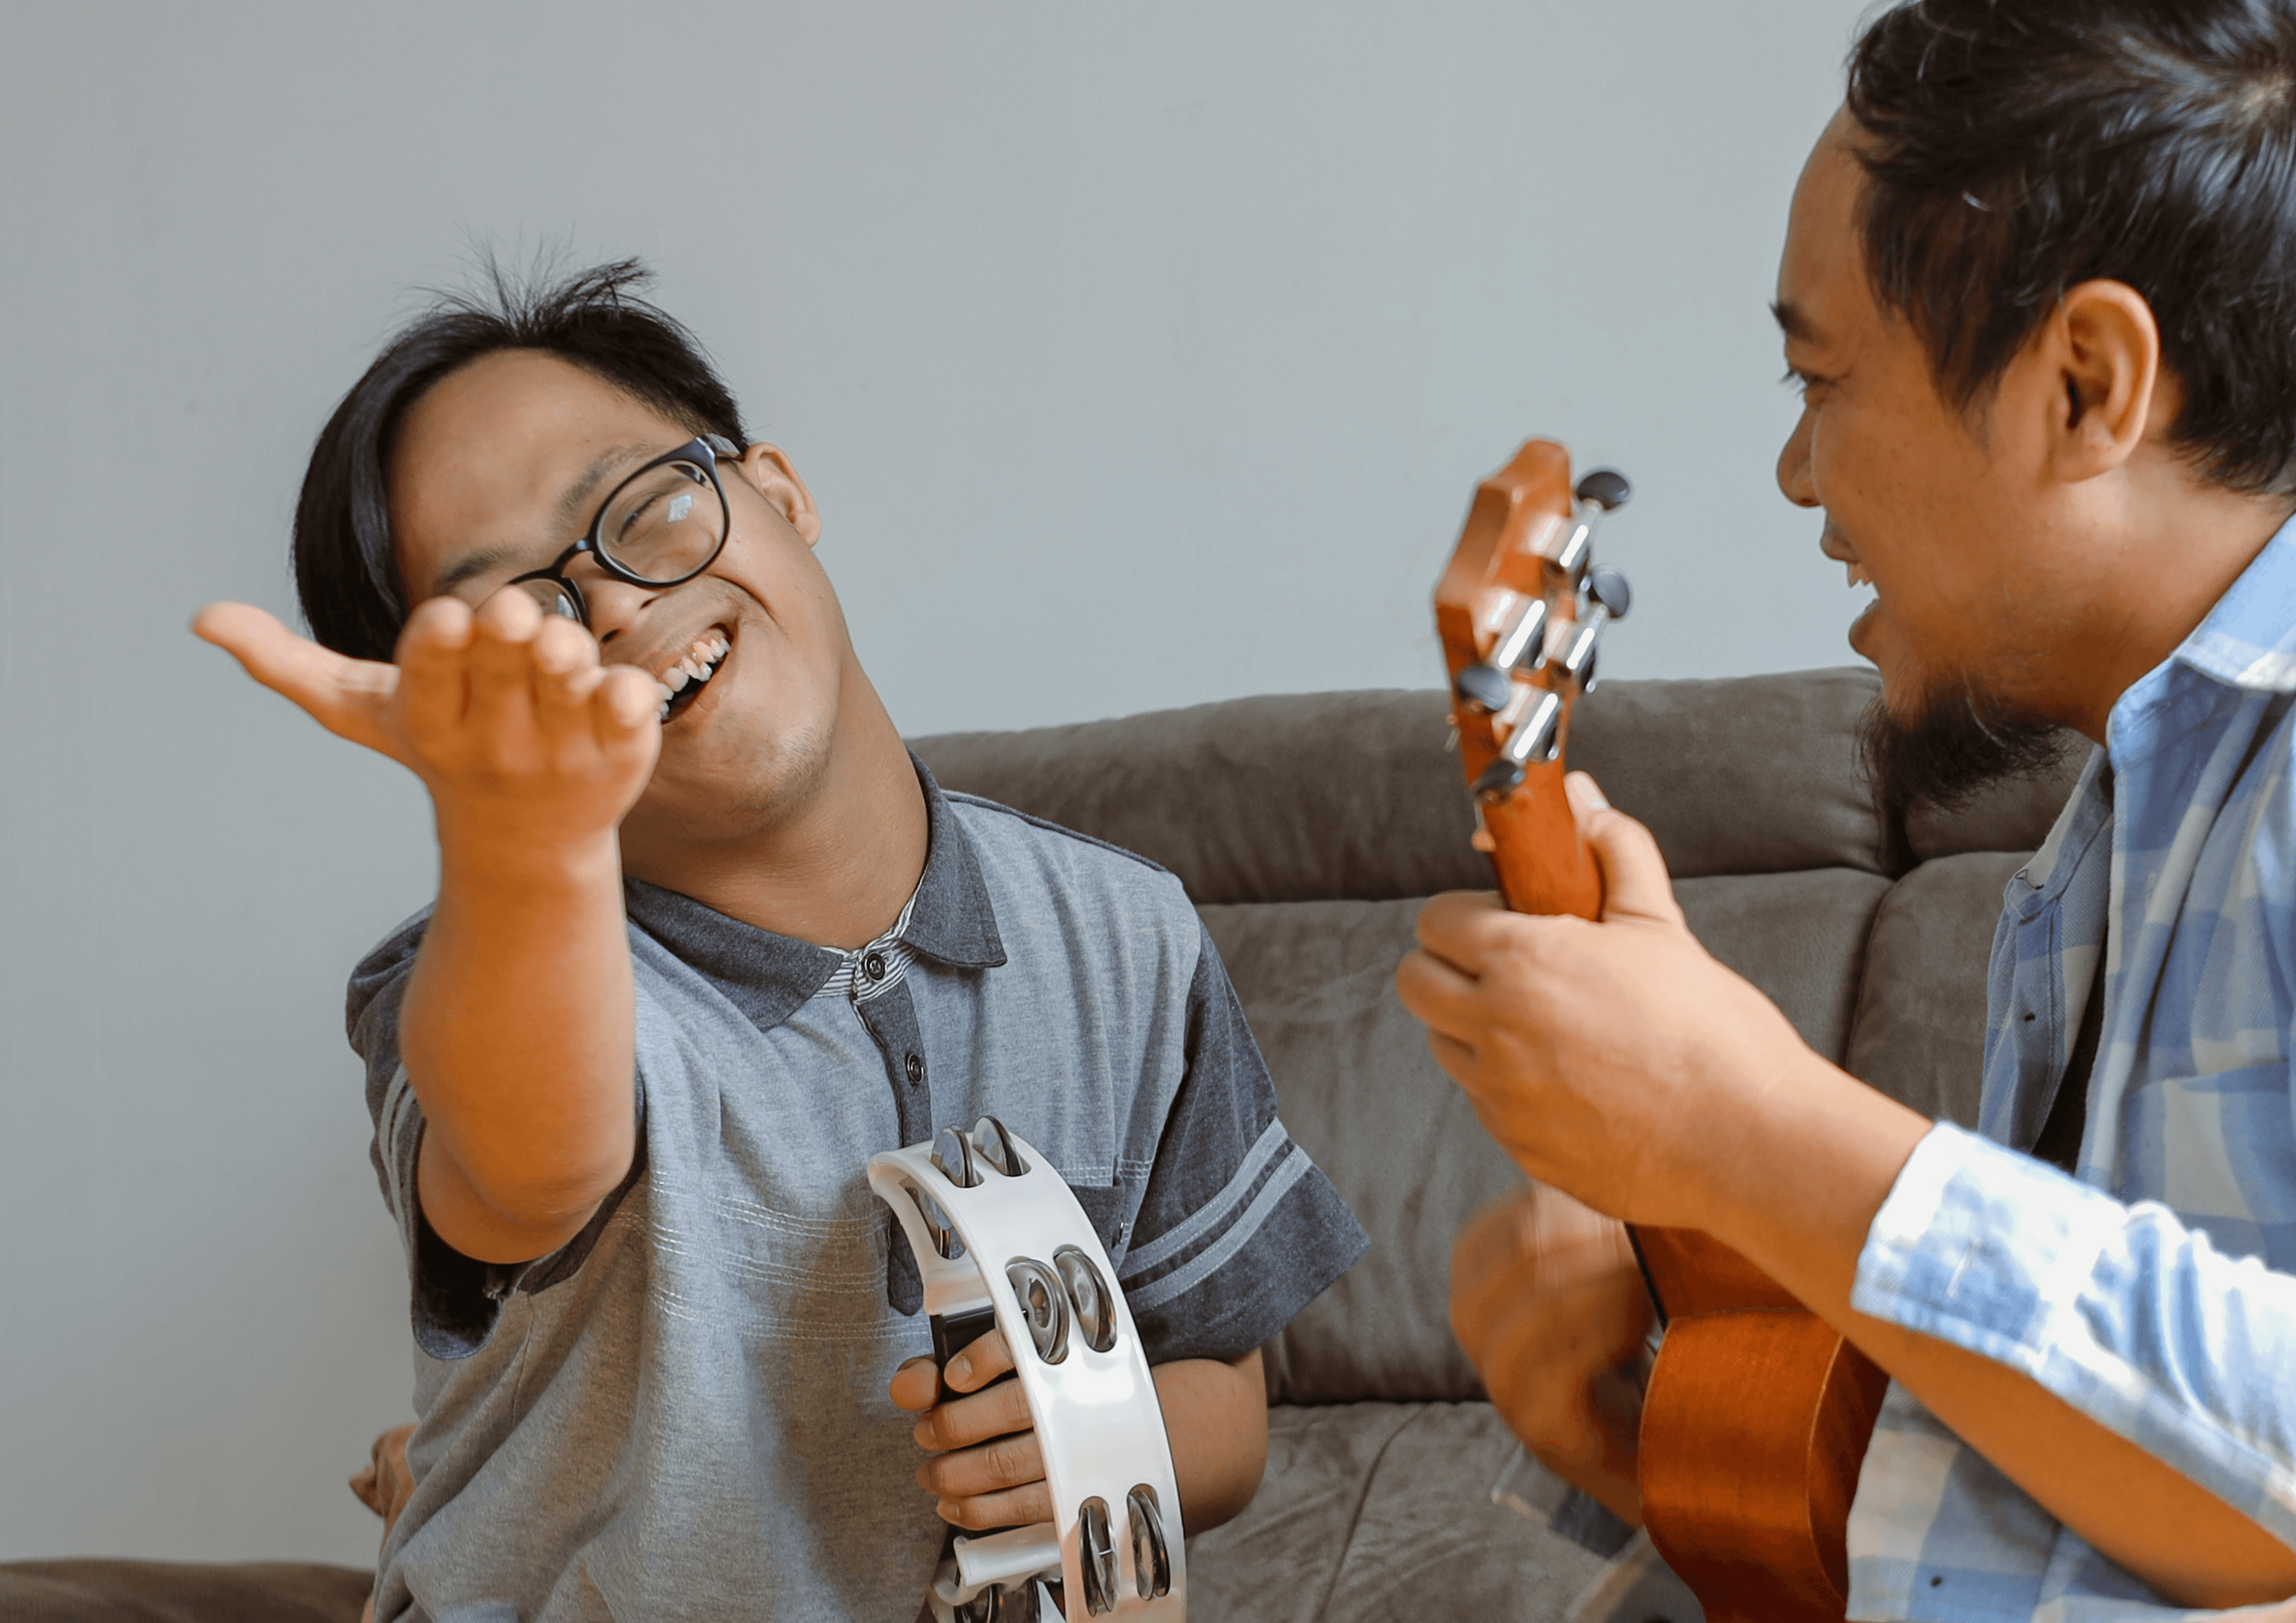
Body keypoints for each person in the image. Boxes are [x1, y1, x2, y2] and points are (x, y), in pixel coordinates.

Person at [197, 260, 1366, 1622]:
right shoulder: (485, 971)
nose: (620, 606)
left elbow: (1225, 1385)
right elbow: (531, 1158)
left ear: (781, 493)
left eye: (642, 508)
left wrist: (1099, 1440)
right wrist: (526, 837)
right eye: (525, 618)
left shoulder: (1128, 936)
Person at [1400, 0, 2296, 1616]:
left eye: (1824, 378)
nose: (1798, 475)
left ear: (2086, 383)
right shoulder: (2127, 817)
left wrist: (1739, 1125)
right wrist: (1676, 1425)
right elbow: (2150, 1505)